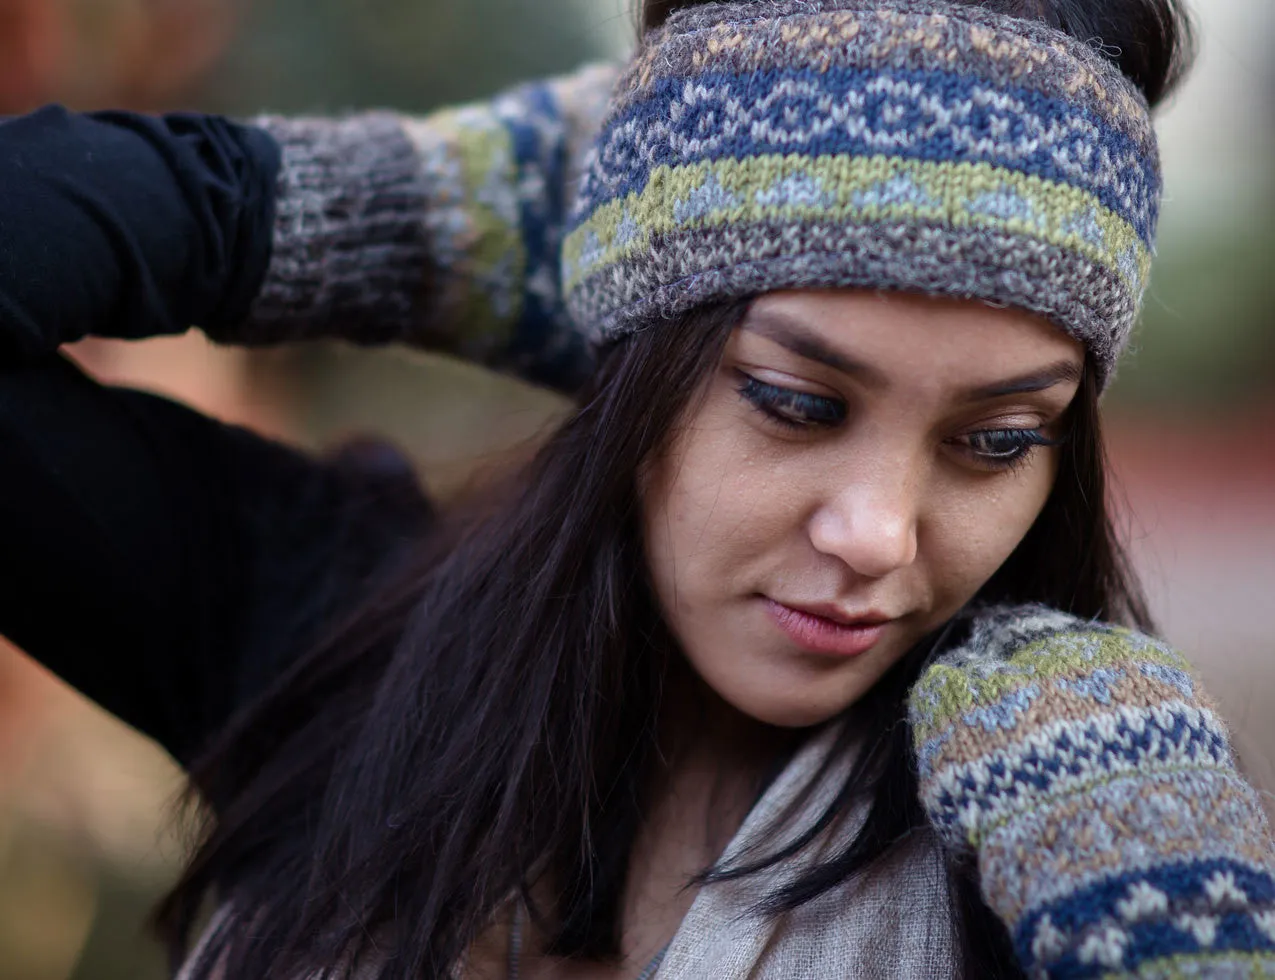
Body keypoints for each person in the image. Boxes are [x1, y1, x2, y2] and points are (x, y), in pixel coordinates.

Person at [2, 0, 1274, 978]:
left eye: (997, 438)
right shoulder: (337, 633)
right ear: (637, 363)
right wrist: (443, 212)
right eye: (796, 401)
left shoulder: (1058, 821)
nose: (878, 534)